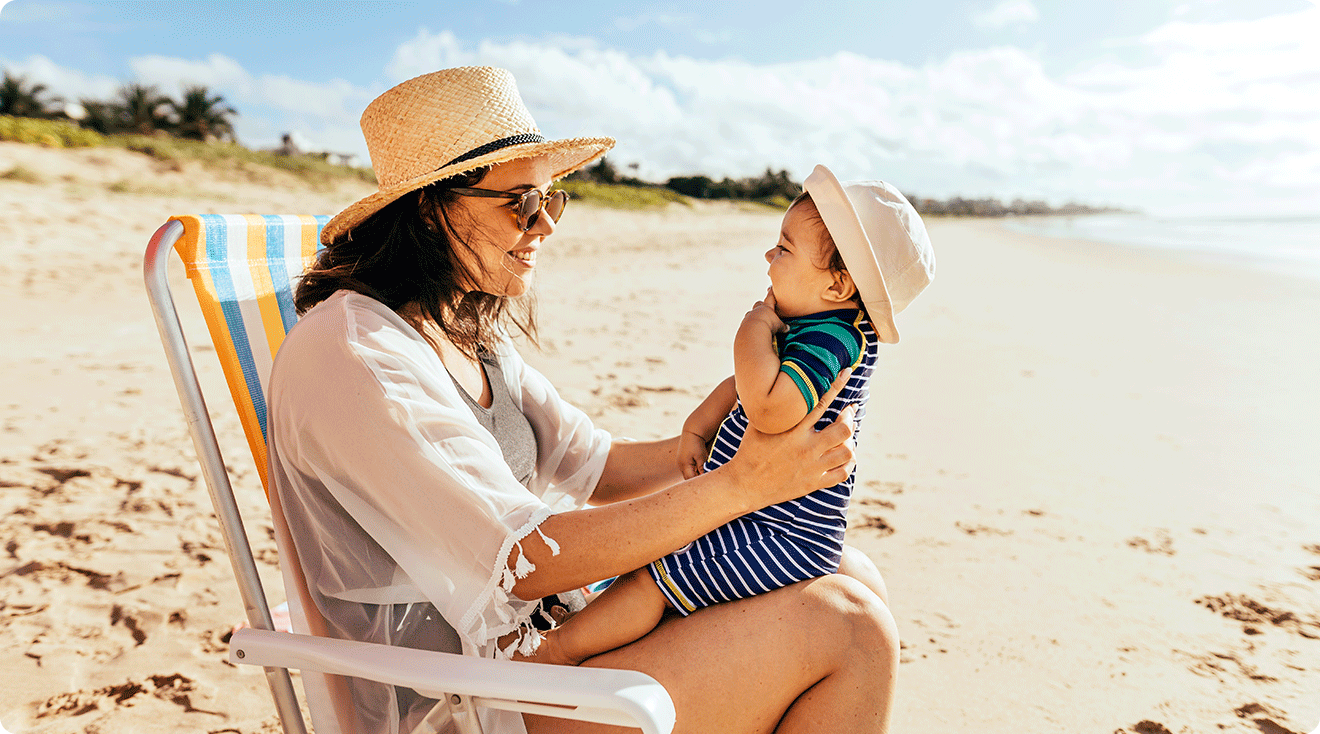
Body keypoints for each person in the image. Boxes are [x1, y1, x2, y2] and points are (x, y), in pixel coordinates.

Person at [266, 66, 900, 734]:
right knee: (849, 631)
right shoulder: (360, 356)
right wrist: (742, 487)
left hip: (536, 651)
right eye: (519, 203)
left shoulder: (457, 329)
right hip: (462, 698)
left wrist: (759, 446)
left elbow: (596, 467)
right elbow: (520, 562)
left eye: (550, 200)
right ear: (429, 210)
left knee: (847, 573)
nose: (544, 225)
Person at [525, 167, 935, 667]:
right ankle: (598, 628)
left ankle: (556, 651)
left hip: (775, 533)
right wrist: (700, 425)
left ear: (838, 285)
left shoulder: (833, 340)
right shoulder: (819, 323)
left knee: (651, 582)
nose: (769, 256)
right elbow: (742, 387)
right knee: (656, 562)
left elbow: (766, 407)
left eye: (784, 249)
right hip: (755, 516)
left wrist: (752, 329)